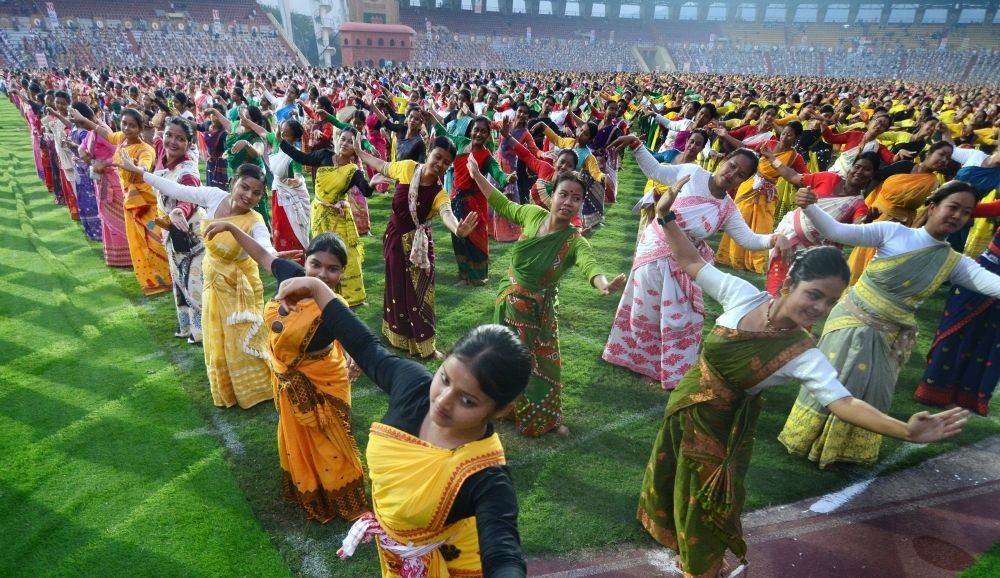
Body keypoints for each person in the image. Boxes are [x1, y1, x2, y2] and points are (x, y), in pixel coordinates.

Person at [639, 176, 970, 578]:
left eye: (831, 301)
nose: (820, 307)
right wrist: (667, 217)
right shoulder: (743, 295)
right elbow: (692, 262)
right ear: (790, 284)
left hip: (719, 432)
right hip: (684, 405)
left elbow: (843, 402)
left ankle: (700, 567)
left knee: (704, 498)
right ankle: (667, 531)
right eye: (814, 294)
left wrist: (904, 430)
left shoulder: (803, 354)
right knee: (668, 466)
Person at [274, 276, 530, 578]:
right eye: (445, 378)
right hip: (398, 558)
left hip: (453, 565)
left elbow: (503, 552)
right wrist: (316, 287)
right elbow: (366, 347)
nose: (442, 402)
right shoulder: (413, 386)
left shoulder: (487, 477)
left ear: (502, 409)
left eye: (468, 401)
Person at [778, 181, 1000, 468]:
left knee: (874, 391)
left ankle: (846, 450)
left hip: (889, 334)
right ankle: (807, 440)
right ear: (933, 207)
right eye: (953, 207)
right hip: (852, 321)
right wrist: (809, 205)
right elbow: (836, 231)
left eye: (966, 212)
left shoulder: (953, 262)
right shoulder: (893, 232)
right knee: (836, 385)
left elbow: (993, 284)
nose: (957, 216)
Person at [202, 223, 366, 523]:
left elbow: (355, 336)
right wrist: (230, 227)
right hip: (287, 379)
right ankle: (312, 487)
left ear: (342, 273)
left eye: (333, 269)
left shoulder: (335, 306)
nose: (321, 274)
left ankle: (343, 497)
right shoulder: (291, 276)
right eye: (315, 264)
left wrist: (354, 356)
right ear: (305, 260)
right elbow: (262, 254)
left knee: (329, 441)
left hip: (323, 380)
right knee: (298, 438)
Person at [603, 135, 789, 390]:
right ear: (724, 161)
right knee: (648, 309)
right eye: (732, 166)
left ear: (742, 182)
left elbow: (748, 239)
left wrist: (774, 238)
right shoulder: (693, 173)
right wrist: (636, 144)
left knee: (681, 317)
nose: (732, 174)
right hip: (655, 249)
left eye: (740, 175)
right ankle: (641, 362)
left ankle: (670, 366)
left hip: (686, 259)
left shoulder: (727, 209)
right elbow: (656, 171)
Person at [467, 156, 626, 436]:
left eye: (576, 198)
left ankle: (543, 418)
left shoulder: (575, 241)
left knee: (543, 365)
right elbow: (502, 203)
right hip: (508, 303)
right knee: (502, 358)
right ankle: (501, 408)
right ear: (552, 196)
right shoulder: (532, 214)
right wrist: (478, 175)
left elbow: (589, 264)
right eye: (563, 194)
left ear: (580, 205)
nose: (568, 202)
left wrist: (601, 284)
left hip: (538, 313)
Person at [116, 154, 280, 409]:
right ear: (233, 182)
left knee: (242, 336)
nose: (249, 196)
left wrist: (276, 258)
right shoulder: (214, 197)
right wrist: (139, 172)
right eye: (245, 187)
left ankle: (256, 389)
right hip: (212, 279)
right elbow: (177, 189)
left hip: (240, 285)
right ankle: (229, 390)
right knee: (217, 334)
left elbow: (265, 247)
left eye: (256, 193)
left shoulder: (255, 220)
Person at [355, 135, 478, 358]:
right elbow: (383, 166)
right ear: (429, 153)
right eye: (437, 157)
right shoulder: (408, 168)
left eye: (446, 163)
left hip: (418, 246)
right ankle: (398, 336)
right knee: (396, 287)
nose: (440, 164)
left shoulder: (440, 193)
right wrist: (360, 153)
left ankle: (424, 344)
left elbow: (446, 213)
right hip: (394, 239)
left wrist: (458, 229)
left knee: (421, 293)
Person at [71, 106, 171, 295]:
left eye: (132, 126)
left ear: (140, 129)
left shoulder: (145, 149)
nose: (126, 128)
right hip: (129, 201)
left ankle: (168, 277)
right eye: (124, 124)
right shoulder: (121, 140)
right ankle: (153, 281)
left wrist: (134, 167)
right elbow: (102, 132)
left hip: (145, 203)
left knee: (154, 239)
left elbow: (145, 165)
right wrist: (85, 119)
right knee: (137, 242)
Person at [763, 151, 881, 294]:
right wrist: (772, 158)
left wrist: (867, 220)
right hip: (787, 236)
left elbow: (856, 228)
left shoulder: (858, 205)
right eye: (857, 167)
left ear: (872, 175)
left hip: (809, 254)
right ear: (850, 168)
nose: (860, 172)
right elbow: (793, 176)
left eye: (867, 169)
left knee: (793, 291)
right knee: (775, 287)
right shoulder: (828, 178)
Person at [279, 128, 372, 306]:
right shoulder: (324, 155)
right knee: (320, 251)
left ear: (356, 148)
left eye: (350, 142)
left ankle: (353, 296)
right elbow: (302, 158)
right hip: (319, 213)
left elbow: (365, 190)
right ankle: (320, 289)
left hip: (339, 218)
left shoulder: (353, 171)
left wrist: (373, 184)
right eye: (343, 139)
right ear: (337, 140)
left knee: (345, 254)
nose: (345, 144)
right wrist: (282, 143)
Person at [845, 140, 954, 284]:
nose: (944, 160)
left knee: (879, 266)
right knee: (861, 260)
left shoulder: (934, 184)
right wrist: (868, 204)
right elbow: (876, 175)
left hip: (899, 226)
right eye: (942, 154)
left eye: (948, 158)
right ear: (928, 153)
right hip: (876, 218)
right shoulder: (904, 166)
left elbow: (929, 211)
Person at [715, 122, 807, 273]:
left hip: (767, 194)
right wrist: (726, 135)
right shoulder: (769, 143)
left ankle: (757, 261)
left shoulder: (795, 157)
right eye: (784, 133)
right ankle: (730, 257)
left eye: (790, 135)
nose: (785, 137)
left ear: (796, 138)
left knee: (763, 225)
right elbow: (746, 147)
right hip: (749, 187)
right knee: (740, 220)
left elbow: (804, 176)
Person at [150, 116, 206, 344]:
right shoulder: (163, 158)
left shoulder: (187, 170)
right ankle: (187, 328)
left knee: (196, 285)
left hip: (191, 235)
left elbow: (189, 195)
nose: (173, 141)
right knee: (179, 280)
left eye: (180, 139)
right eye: (169, 135)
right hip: (171, 233)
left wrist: (180, 211)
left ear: (189, 144)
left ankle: (203, 333)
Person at [73, 100, 132, 267]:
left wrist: (103, 163)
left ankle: (128, 256)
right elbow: (83, 147)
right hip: (101, 180)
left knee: (120, 218)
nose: (78, 126)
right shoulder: (91, 132)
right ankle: (115, 256)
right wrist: (82, 152)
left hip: (112, 180)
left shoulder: (103, 130)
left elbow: (118, 153)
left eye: (79, 121)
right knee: (108, 218)